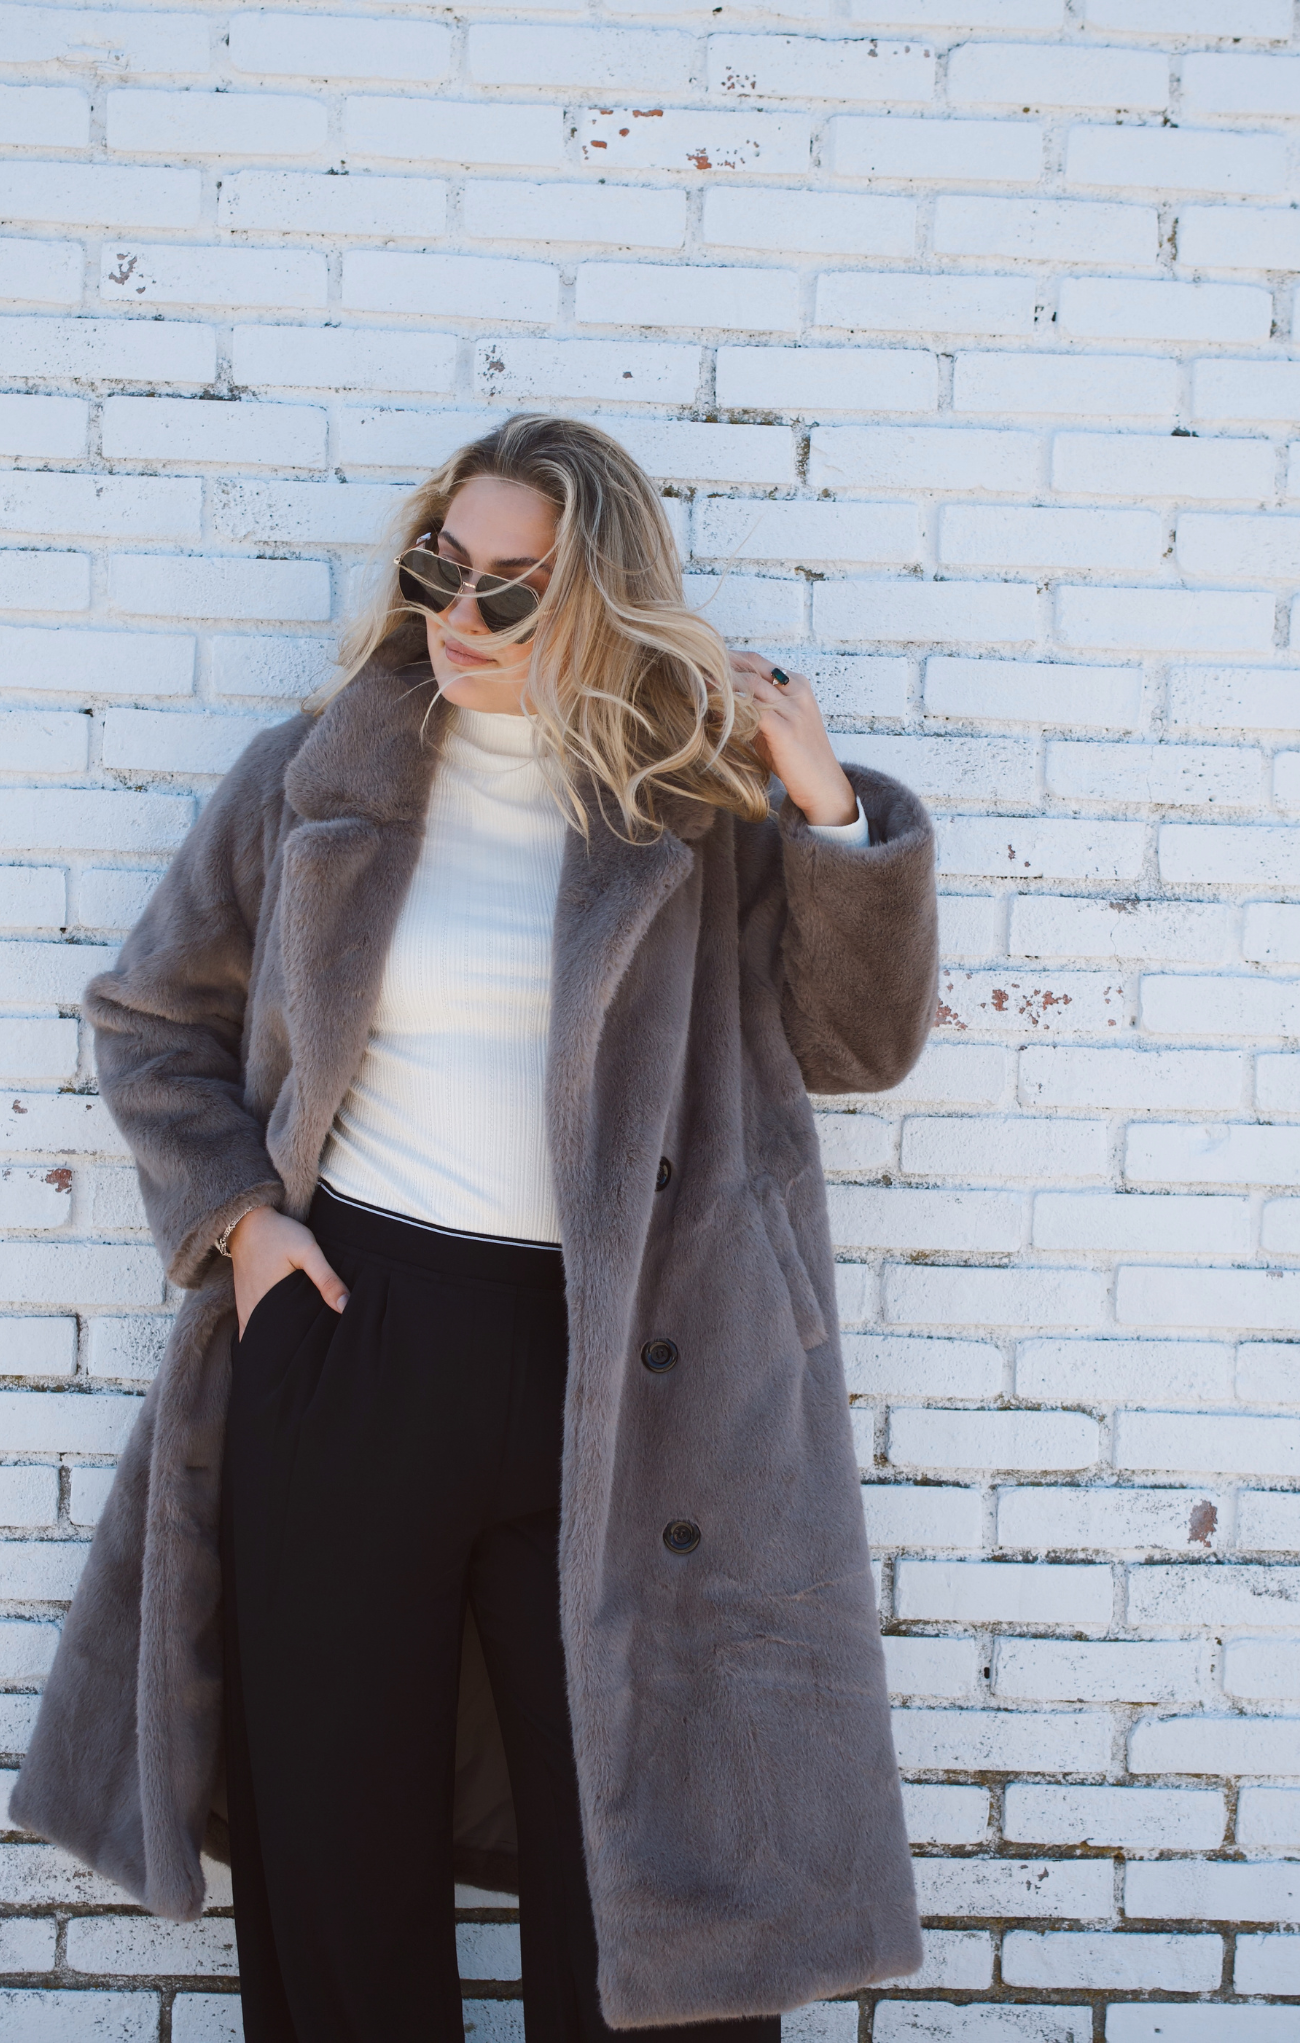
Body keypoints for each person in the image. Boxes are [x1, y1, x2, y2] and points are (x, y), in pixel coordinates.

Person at [12, 414, 938, 2041]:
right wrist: (235, 1222)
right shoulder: (317, 779)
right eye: (444, 562)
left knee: (649, 1867)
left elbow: (858, 1047)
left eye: (516, 585)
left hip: (627, 1377)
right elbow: (147, 1011)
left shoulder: (697, 812)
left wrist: (828, 806)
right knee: (338, 1861)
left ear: (601, 600)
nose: (462, 610)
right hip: (352, 1337)